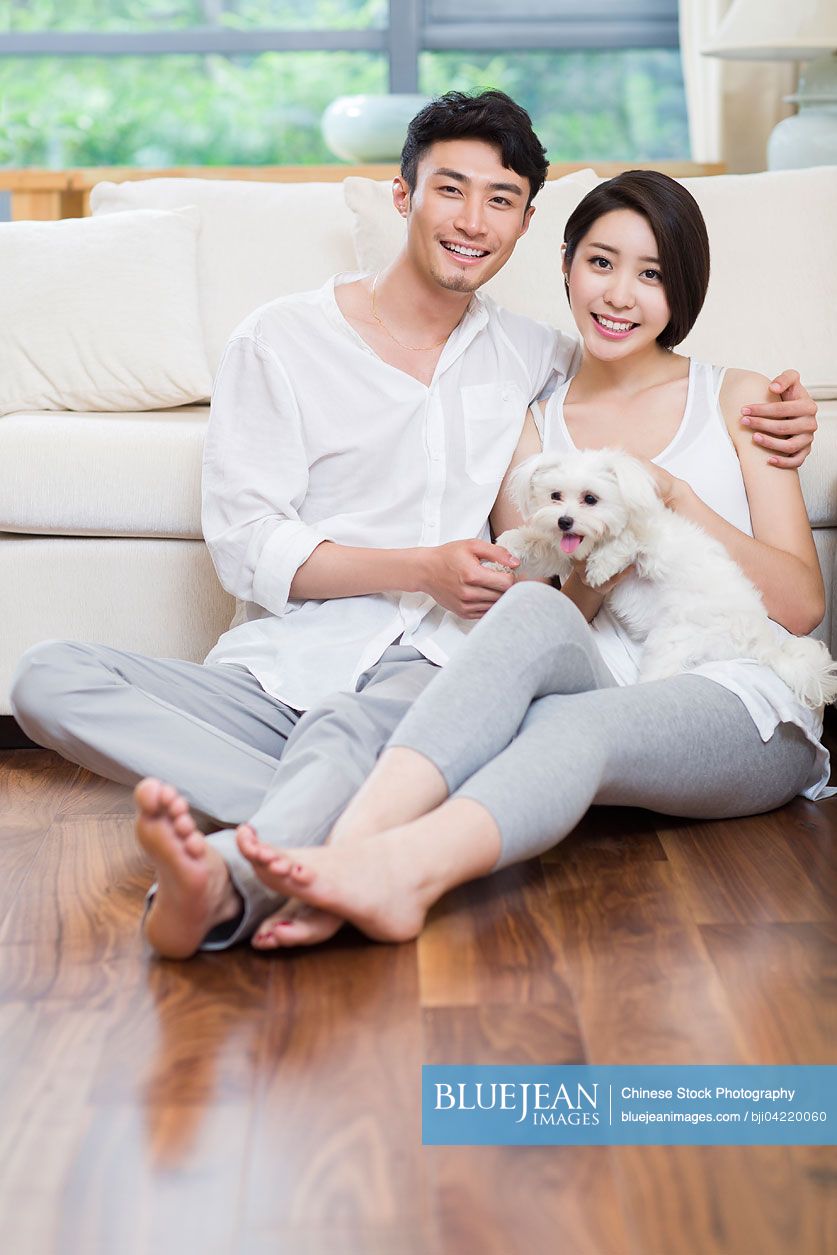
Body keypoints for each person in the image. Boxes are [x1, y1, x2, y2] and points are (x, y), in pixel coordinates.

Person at [9, 97, 818, 959]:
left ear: (522, 225)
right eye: (450, 189)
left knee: (353, 730)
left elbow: (737, 573)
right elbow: (256, 547)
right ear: (402, 196)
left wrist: (730, 454)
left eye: (499, 199)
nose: (473, 221)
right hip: (288, 659)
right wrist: (431, 567)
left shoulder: (543, 360)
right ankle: (341, 827)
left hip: (425, 666)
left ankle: (238, 876)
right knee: (44, 676)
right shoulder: (304, 345)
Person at [222, 170, 831, 948]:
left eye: (650, 274)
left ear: (683, 289)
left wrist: (668, 497)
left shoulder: (742, 400)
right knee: (532, 624)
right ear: (568, 265)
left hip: (741, 692)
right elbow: (550, 609)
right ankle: (344, 857)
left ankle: (385, 870)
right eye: (600, 263)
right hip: (608, 675)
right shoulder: (536, 426)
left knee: (571, 727)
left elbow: (801, 604)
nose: (618, 295)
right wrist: (585, 543)